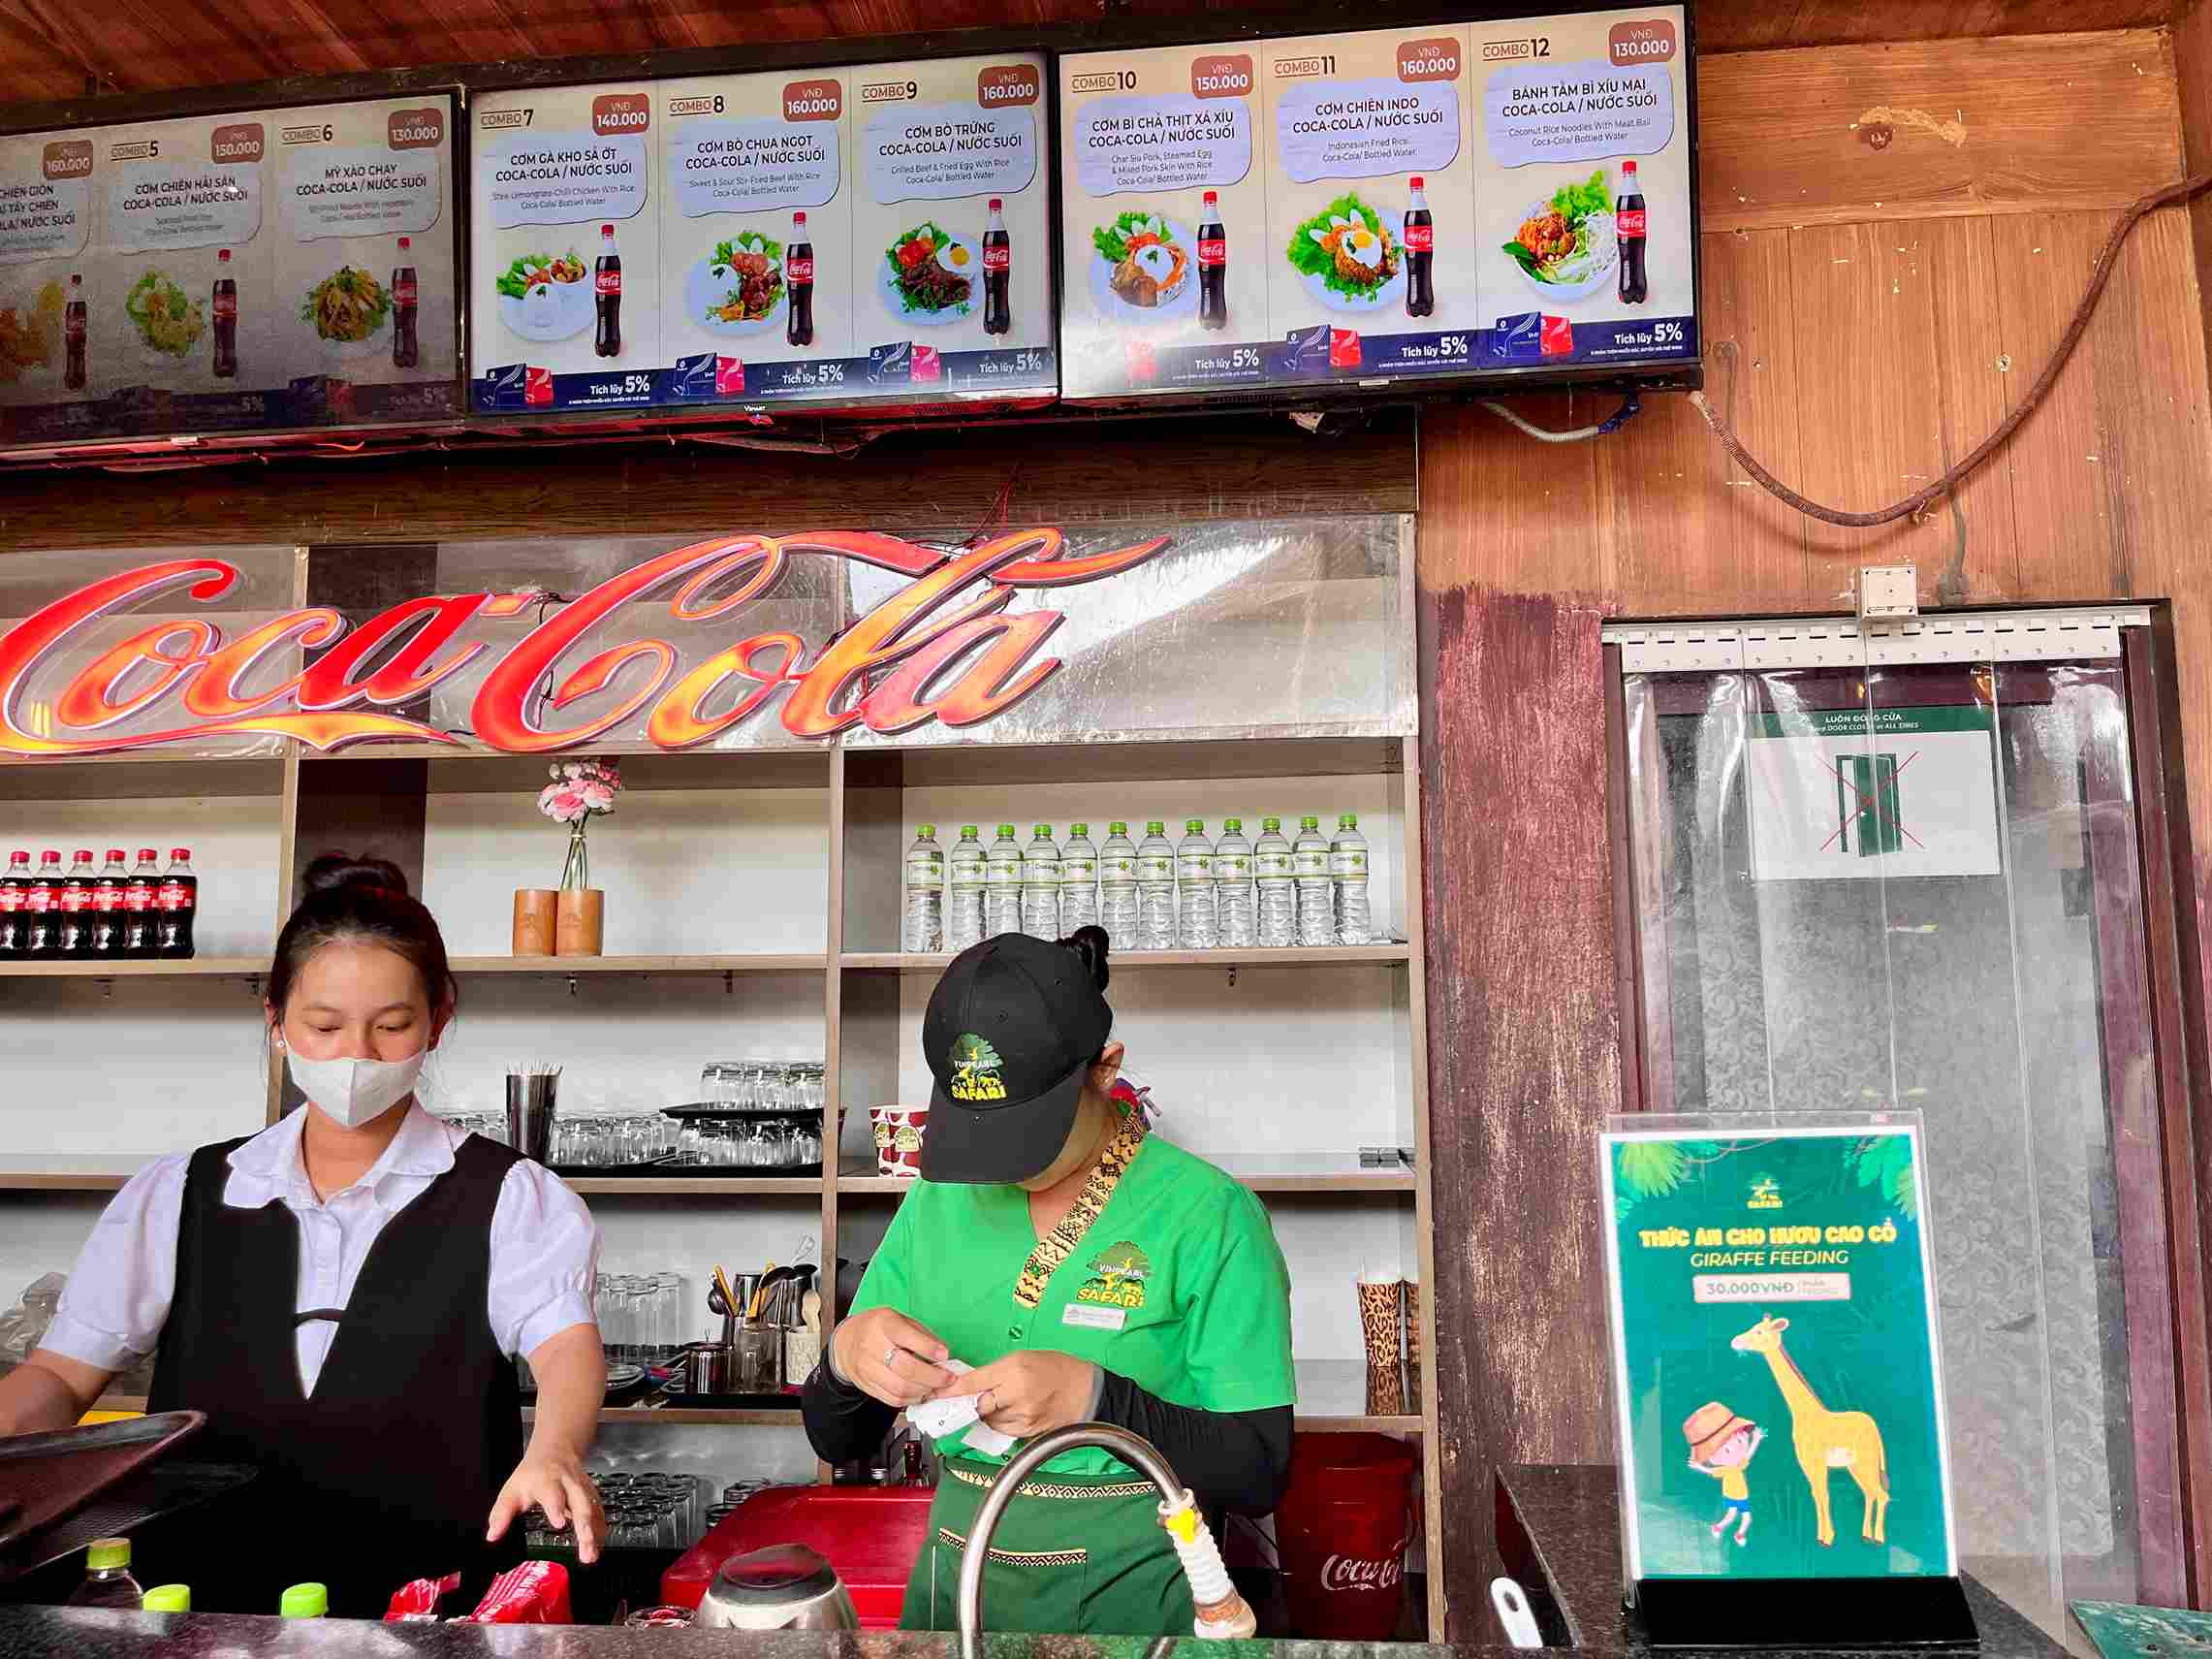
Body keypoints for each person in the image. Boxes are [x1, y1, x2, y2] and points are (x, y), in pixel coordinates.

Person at [0, 855, 607, 1614]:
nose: (356, 1054)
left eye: (392, 1026)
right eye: (324, 1025)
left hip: (431, 1614)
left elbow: (564, 1347)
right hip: (201, 1611)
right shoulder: (179, 1192)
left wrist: (554, 1449)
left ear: (439, 1019)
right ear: (276, 1019)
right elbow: (60, 1375)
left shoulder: (512, 1197)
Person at [803, 927, 1296, 1636]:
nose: (1000, 1163)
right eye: (981, 1130)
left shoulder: (1209, 1216)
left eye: (1027, 1129)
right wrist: (846, 1360)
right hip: (956, 1594)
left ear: (1104, 1069)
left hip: (1135, 1595)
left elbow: (1261, 1471)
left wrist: (1099, 1398)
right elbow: (838, 1438)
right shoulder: (940, 1198)